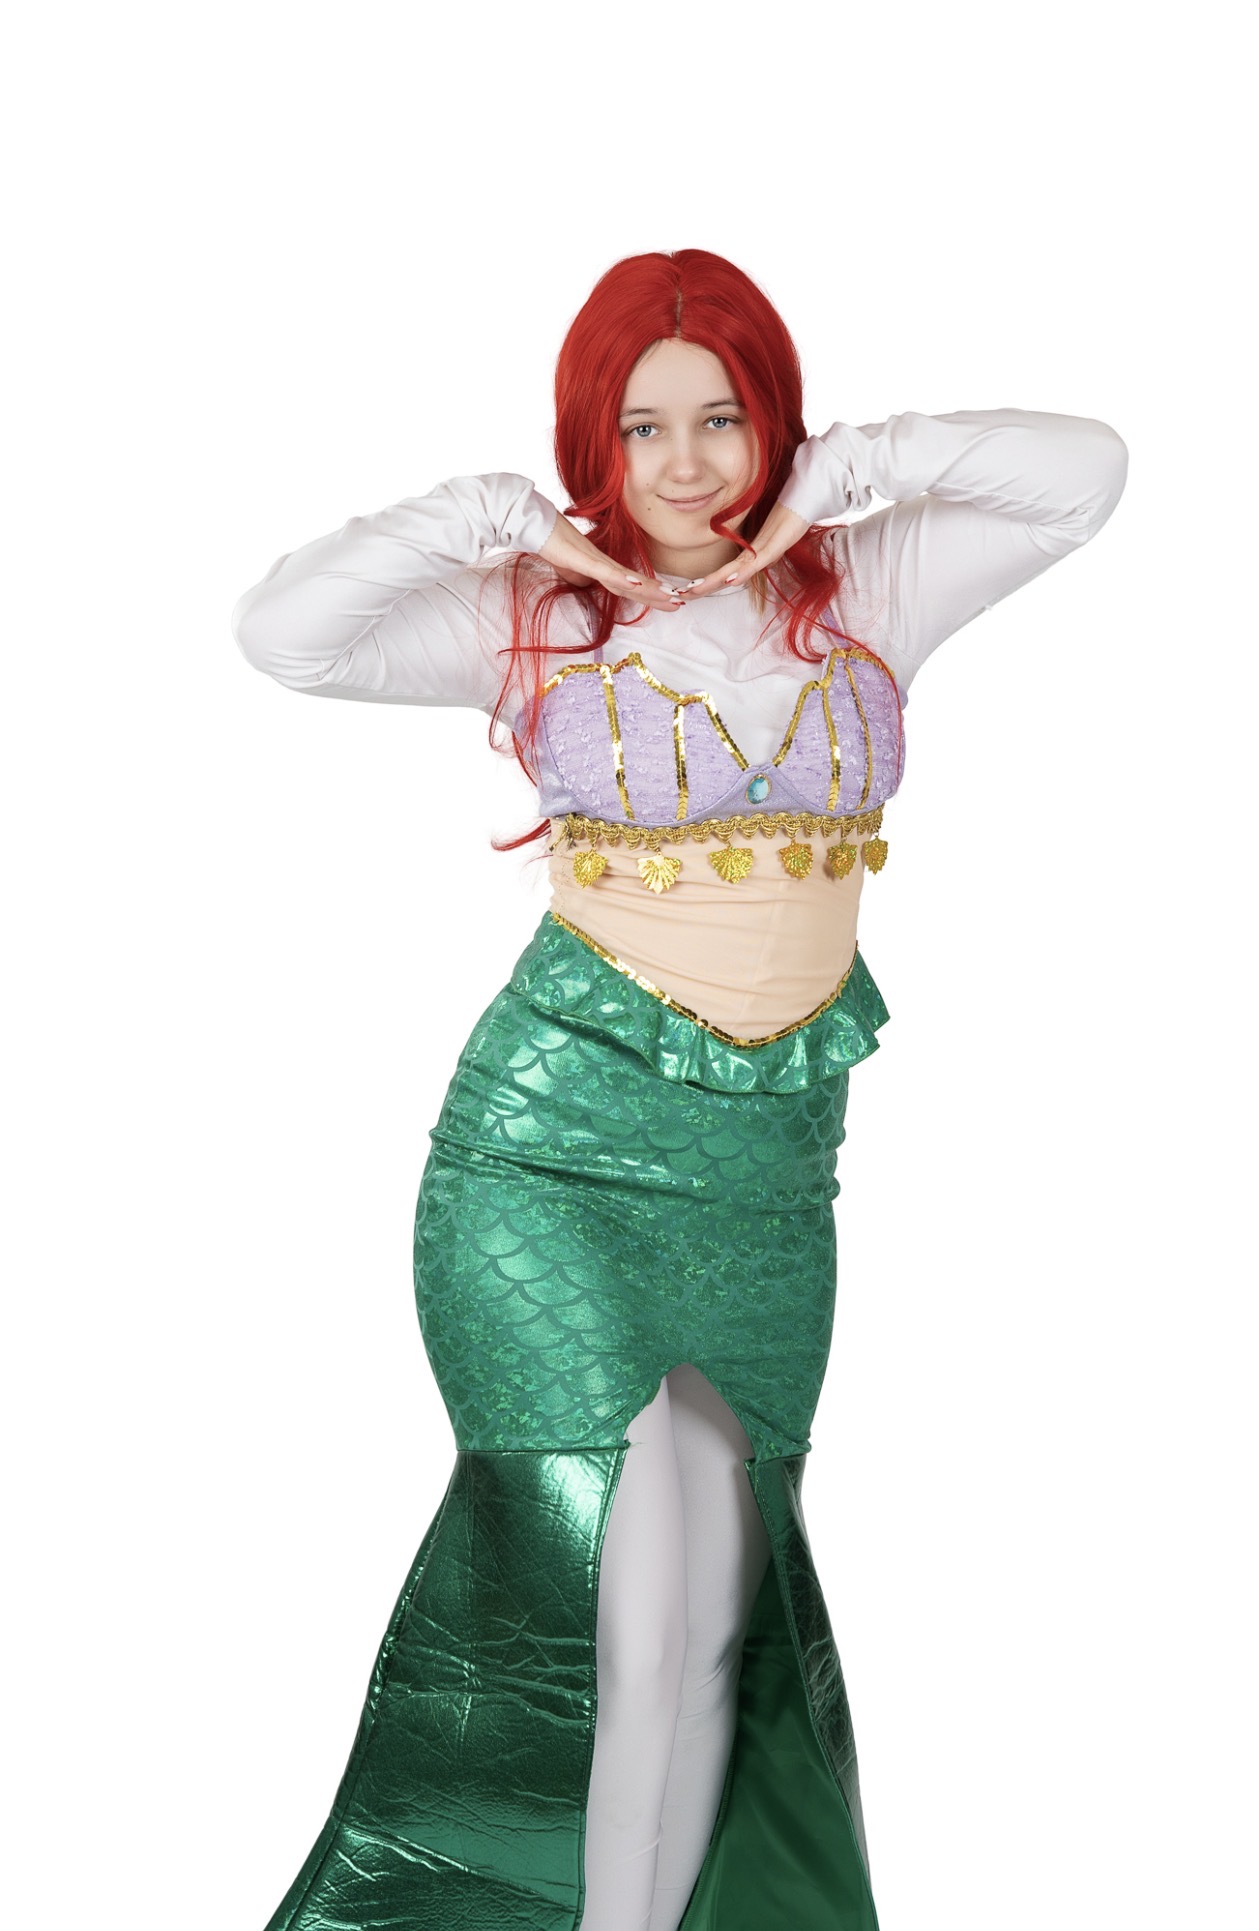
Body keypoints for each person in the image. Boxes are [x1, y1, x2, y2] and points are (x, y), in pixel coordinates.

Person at [231, 247, 1128, 1931]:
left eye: (724, 417)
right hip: (550, 1163)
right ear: (595, 440)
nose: (689, 464)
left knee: (716, 1619)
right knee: (636, 1609)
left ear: (773, 418)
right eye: (642, 427)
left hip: (768, 1182)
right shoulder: (539, 618)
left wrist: (845, 478)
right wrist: (495, 515)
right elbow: (283, 636)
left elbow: (1086, 474)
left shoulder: (868, 589)